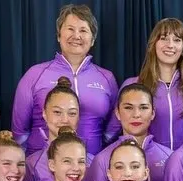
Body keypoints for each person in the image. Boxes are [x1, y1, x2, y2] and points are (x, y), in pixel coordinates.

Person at [12, 4, 117, 155]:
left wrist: (98, 158)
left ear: (93, 39)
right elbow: (19, 132)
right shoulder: (34, 75)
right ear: (58, 35)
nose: (76, 36)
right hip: (41, 164)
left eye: (83, 30)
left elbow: (112, 130)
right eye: (70, 29)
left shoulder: (107, 78)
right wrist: (34, 163)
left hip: (90, 164)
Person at [81, 84, 173, 181]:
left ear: (152, 113)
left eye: (143, 107)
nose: (136, 114)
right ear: (117, 113)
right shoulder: (102, 160)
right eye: (128, 108)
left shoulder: (169, 157)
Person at [120, 18, 183, 151]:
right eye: (164, 38)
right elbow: (114, 130)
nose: (170, 45)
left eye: (177, 40)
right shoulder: (133, 85)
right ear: (154, 44)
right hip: (145, 160)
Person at [17, 78, 93, 181]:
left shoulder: (92, 163)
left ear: (79, 117)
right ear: (44, 113)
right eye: (57, 112)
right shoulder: (31, 165)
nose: (65, 120)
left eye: (72, 113)